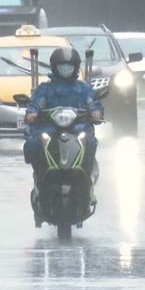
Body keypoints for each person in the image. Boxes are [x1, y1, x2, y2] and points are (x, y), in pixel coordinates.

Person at [23, 47, 103, 224]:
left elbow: (93, 103)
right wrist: (32, 112)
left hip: (77, 127)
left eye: (69, 66)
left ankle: (87, 180)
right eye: (62, 66)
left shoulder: (83, 88)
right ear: (54, 67)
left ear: (75, 67)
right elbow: (36, 103)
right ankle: (40, 175)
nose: (65, 69)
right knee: (35, 142)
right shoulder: (46, 89)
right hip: (51, 127)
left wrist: (96, 112)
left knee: (89, 142)